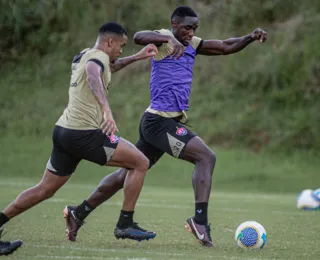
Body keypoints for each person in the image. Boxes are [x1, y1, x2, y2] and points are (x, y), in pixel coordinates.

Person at [62, 6, 268, 247]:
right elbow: (139, 36)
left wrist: (249, 37)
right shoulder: (163, 39)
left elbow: (223, 46)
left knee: (125, 175)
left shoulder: (192, 43)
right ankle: (200, 222)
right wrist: (168, 38)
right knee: (206, 157)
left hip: (160, 122)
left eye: (195, 28)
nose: (191, 32)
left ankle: (79, 213)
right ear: (174, 24)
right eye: (187, 27)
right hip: (159, 122)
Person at [0, 21, 159, 251]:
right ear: (109, 42)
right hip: (84, 134)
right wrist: (105, 109)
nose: (121, 51)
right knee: (141, 162)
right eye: (121, 46)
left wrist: (136, 57)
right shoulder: (97, 60)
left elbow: (107, 67)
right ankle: (125, 223)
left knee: (45, 189)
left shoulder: (84, 54)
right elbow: (93, 73)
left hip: (63, 131)